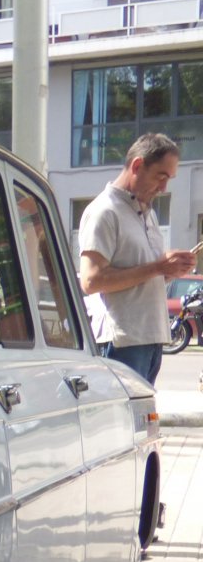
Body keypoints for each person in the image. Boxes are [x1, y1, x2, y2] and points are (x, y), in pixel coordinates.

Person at [78, 133, 197, 383]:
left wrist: (168, 271)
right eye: (160, 177)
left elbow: (144, 271)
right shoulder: (104, 211)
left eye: (169, 179)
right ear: (137, 166)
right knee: (122, 420)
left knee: (142, 421)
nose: (164, 188)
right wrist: (157, 267)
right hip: (123, 340)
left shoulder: (147, 213)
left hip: (150, 337)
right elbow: (91, 281)